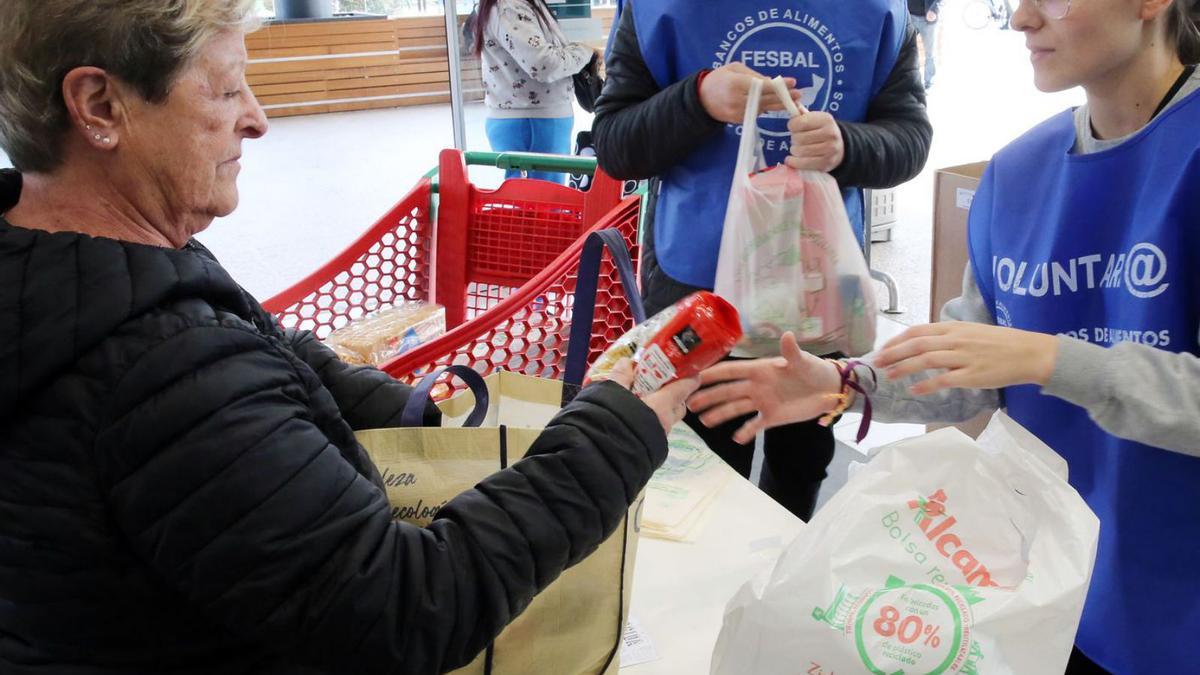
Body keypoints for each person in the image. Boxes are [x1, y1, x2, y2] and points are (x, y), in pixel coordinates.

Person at [0, 2, 698, 673]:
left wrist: (383, 403)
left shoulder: (70, 264)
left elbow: (239, 325)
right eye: (224, 89)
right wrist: (615, 427)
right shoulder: (158, 366)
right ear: (98, 106)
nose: (258, 119)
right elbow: (408, 608)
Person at [690, 0, 1200, 671]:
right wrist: (847, 383)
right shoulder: (1020, 173)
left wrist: (1052, 358)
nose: (1021, 19)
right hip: (1044, 596)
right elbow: (972, 358)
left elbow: (1027, 357)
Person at [592, 0, 932, 520]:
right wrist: (698, 98)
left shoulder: (880, 12)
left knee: (803, 463)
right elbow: (615, 145)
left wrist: (847, 145)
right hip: (698, 295)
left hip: (821, 293)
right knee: (698, 476)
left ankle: (778, 577)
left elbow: (909, 137)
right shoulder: (657, 10)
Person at [475, 0, 598, 183]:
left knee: (534, 201)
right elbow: (544, 65)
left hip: (529, 118)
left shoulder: (510, 6)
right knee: (544, 202)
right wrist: (585, 52)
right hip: (533, 120)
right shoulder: (510, 7)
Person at [909, 0, 942, 88]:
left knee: (930, 53)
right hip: (909, 16)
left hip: (928, 19)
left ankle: (929, 82)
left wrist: (934, 9)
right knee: (907, 51)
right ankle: (910, 81)